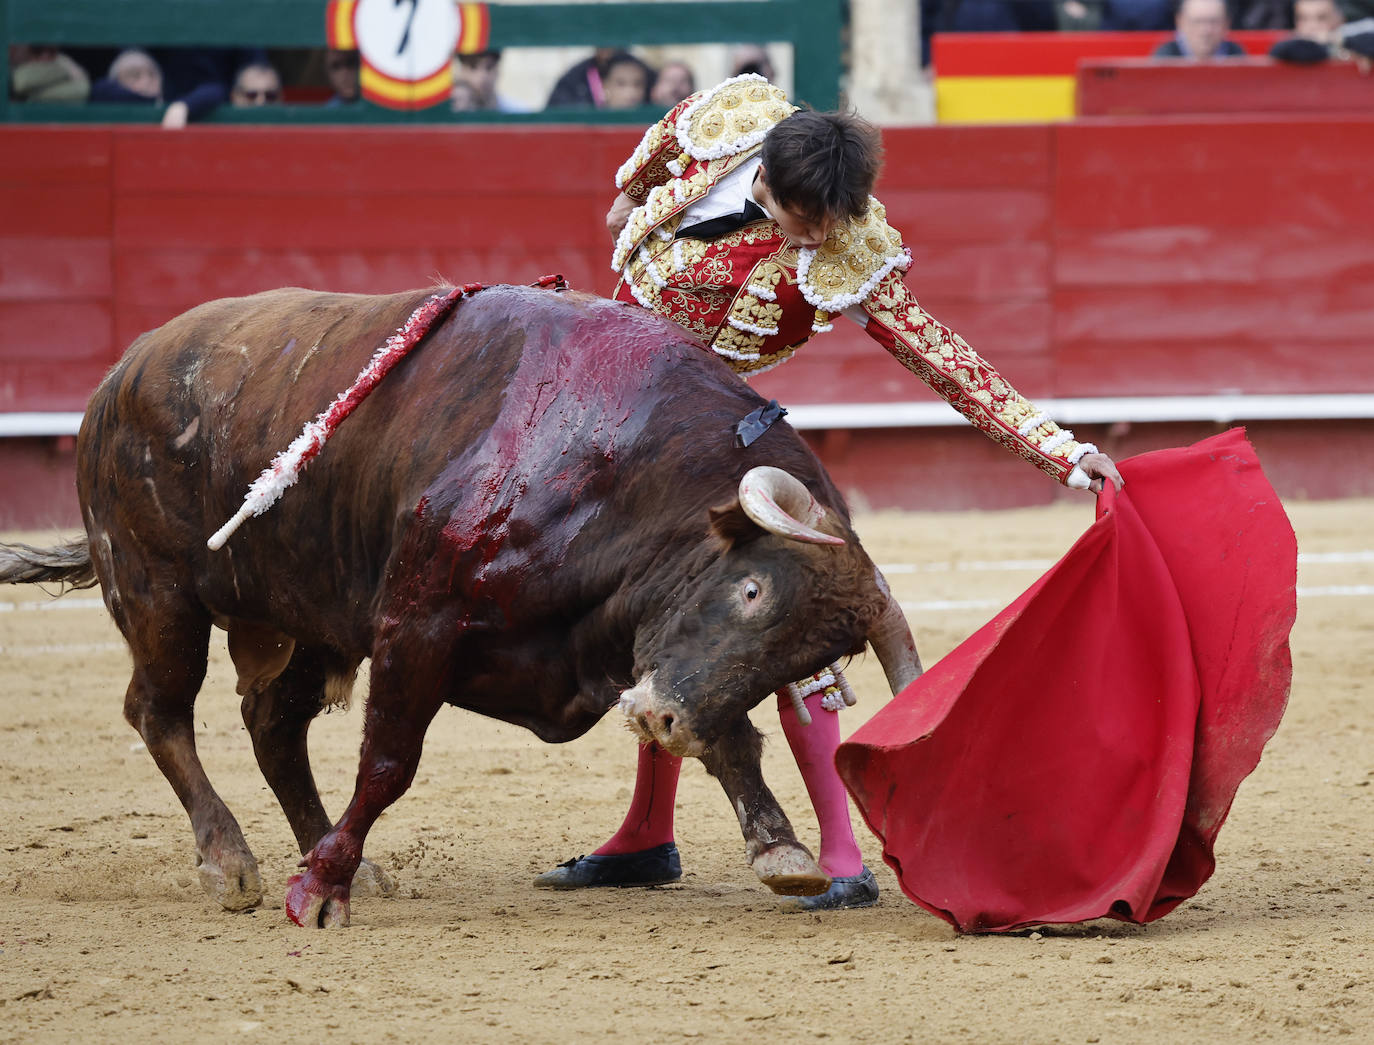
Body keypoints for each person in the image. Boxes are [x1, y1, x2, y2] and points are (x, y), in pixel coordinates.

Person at [535, 74, 1124, 911]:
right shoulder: (733, 116)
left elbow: (944, 358)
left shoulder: (850, 244)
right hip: (618, 414)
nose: (821, 238)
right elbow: (663, 140)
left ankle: (844, 853)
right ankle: (646, 831)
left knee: (775, 602)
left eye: (834, 222)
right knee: (650, 619)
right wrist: (629, 195)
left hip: (709, 431)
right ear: (765, 180)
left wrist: (1061, 453)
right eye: (806, 220)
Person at [546, 47, 654, 108]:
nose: (631, 92)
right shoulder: (573, 81)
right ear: (605, 86)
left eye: (637, 84)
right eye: (621, 84)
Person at [1154, 0, 1248, 56]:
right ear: (1180, 22)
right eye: (1197, 22)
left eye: (1213, 22)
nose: (1205, 31)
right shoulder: (1165, 57)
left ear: (1227, 23)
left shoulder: (1237, 55)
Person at [450, 48, 527, 111]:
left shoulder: (516, 111)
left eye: (489, 67)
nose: (483, 76)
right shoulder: (452, 113)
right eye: (473, 67)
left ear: (498, 70)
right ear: (461, 72)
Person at [8, 44, 89, 102]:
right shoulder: (19, 69)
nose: (45, 55)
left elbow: (82, 89)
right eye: (37, 50)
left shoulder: (62, 61)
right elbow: (20, 82)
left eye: (52, 51)